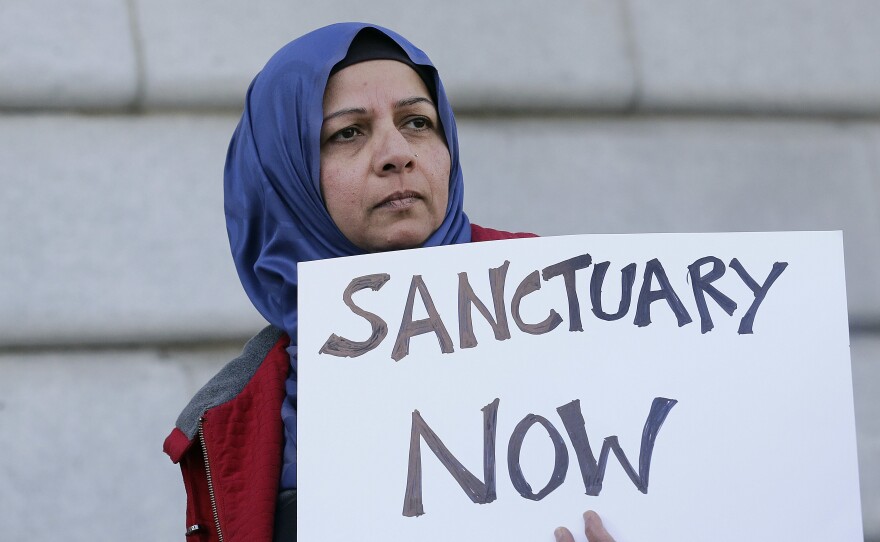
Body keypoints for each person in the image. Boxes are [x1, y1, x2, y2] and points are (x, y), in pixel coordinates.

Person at [163, 22, 616, 542]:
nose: (397, 153)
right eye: (348, 133)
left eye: (418, 123)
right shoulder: (233, 418)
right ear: (284, 175)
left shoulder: (567, 302)